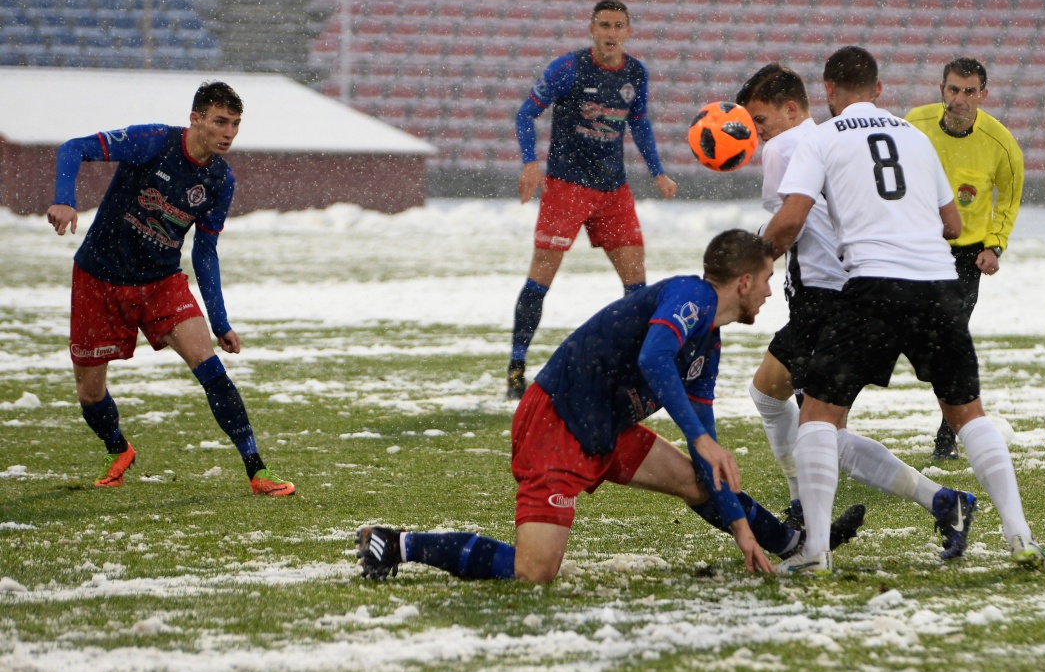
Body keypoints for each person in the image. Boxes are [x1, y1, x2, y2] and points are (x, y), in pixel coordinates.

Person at [356, 230, 864, 583]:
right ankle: (397, 544)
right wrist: (704, 439)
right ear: (744, 282)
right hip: (557, 422)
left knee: (694, 476)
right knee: (535, 574)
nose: (772, 291)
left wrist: (740, 531)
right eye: (768, 279)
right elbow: (654, 355)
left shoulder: (708, 341)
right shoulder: (693, 296)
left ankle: (789, 544)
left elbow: (704, 450)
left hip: (605, 425)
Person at [761, 47, 1045, 571]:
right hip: (938, 285)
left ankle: (815, 551)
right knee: (968, 414)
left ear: (827, 90)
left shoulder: (821, 138)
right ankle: (1021, 536)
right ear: (879, 90)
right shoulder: (915, 137)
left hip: (872, 286)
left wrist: (755, 256)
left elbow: (789, 221)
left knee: (819, 416)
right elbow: (954, 226)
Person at [737, 63, 978, 564]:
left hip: (826, 300)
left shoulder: (788, 147)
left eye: (760, 120)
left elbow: (786, 225)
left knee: (818, 428)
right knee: (776, 397)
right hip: (852, 293)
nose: (757, 133)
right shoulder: (836, 135)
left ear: (791, 108)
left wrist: (747, 270)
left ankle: (816, 510)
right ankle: (936, 501)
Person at [45, 81, 295, 496]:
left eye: (234, 124)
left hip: (161, 283)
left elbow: (205, 252)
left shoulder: (219, 180)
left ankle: (257, 470)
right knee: (90, 394)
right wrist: (64, 198)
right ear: (195, 118)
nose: (228, 132)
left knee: (210, 367)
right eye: (219, 121)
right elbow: (73, 147)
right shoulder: (152, 141)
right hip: (98, 279)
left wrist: (220, 321)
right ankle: (118, 448)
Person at [507, 0, 678, 400]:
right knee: (541, 277)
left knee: (636, 282)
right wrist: (530, 163)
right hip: (566, 188)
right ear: (592, 29)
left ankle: (635, 368)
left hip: (613, 190)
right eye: (604, 25)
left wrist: (658, 172)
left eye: (618, 26)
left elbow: (640, 123)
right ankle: (516, 367)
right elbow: (524, 114)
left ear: (628, 31)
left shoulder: (635, 73)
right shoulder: (567, 68)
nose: (611, 33)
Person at [905, 58, 1024, 460]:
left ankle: (947, 437)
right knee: (896, 336)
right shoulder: (912, 125)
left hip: (965, 257)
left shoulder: (1001, 143)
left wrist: (995, 244)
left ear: (982, 95)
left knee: (951, 343)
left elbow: (1009, 196)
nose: (960, 99)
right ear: (942, 89)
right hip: (915, 247)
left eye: (969, 91)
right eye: (954, 89)